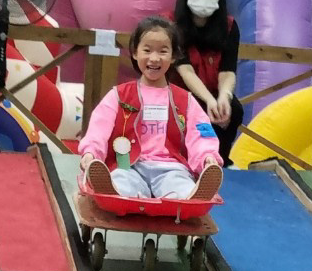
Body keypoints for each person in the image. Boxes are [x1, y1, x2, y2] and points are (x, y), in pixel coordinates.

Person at [79, 15, 223, 201]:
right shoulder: (119, 95)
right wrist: (91, 153)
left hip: (171, 167)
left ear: (173, 56)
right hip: (128, 164)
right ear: (135, 52)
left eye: (163, 51)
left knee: (180, 185)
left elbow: (201, 131)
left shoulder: (185, 100)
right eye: (147, 50)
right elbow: (98, 128)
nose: (154, 58)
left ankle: (190, 196)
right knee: (121, 180)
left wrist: (208, 157)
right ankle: (115, 192)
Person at [171, 0, 243, 166]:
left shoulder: (229, 27)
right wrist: (209, 101)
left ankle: (220, 160)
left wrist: (224, 97)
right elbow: (185, 70)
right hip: (179, 94)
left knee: (233, 109)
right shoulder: (171, 24)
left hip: (212, 91)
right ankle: (186, 160)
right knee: (200, 109)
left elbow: (228, 70)